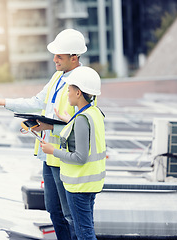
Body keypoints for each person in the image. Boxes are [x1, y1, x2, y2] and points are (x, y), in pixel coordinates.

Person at [0, 29, 88, 240]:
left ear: (74, 57)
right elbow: (37, 103)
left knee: (69, 215)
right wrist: (1, 101)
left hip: (65, 158)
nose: (54, 59)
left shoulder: (84, 81)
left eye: (59, 56)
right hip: (49, 156)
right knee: (54, 211)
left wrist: (51, 128)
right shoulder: (58, 76)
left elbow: (84, 125)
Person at [41, 66, 106, 240]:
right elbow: (84, 135)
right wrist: (67, 120)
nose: (67, 93)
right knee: (86, 230)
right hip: (89, 184)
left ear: (78, 93)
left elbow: (80, 157)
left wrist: (52, 150)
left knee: (84, 234)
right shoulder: (93, 113)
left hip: (79, 186)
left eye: (69, 89)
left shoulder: (81, 119)